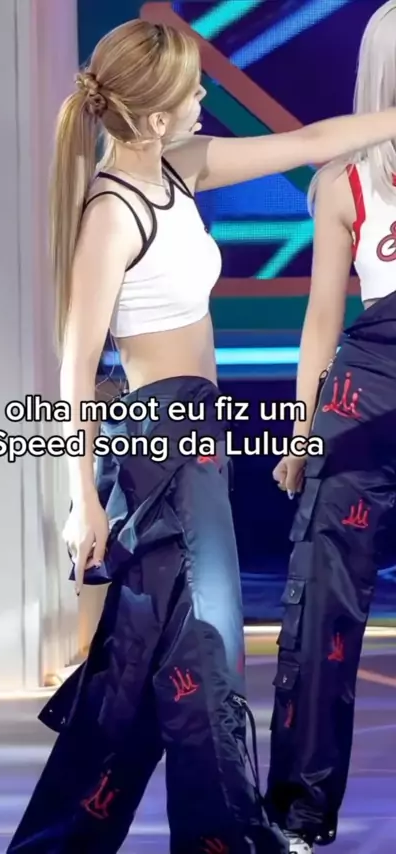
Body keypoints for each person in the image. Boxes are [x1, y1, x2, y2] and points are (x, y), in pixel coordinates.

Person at [7, 17, 396, 854]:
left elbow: (310, 142)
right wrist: (81, 501)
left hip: (198, 438)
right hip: (161, 445)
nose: (204, 97)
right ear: (153, 117)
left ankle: (60, 843)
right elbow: (75, 366)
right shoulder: (112, 211)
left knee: (141, 664)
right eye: (192, 90)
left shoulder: (180, 167)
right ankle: (228, 838)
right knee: (208, 654)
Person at [265, 3, 396, 853]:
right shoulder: (345, 178)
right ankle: (298, 814)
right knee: (323, 606)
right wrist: (303, 432)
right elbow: (320, 320)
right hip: (369, 384)